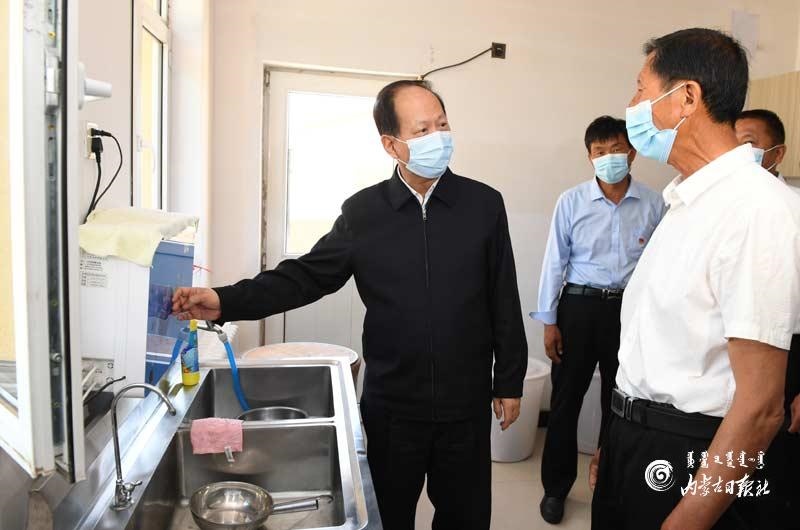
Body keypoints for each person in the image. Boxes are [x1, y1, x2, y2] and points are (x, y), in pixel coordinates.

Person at [171, 79, 528, 530]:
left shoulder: (483, 205)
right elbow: (303, 277)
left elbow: (503, 294)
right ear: (391, 144)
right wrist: (224, 300)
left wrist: (509, 380)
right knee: (386, 518)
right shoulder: (365, 213)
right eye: (422, 130)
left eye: (442, 125)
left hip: (465, 404)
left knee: (466, 518)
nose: (438, 137)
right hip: (393, 406)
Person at [590, 28, 800, 530]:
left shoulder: (756, 209)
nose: (632, 106)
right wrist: (616, 439)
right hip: (634, 441)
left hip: (693, 455)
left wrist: (688, 519)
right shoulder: (685, 200)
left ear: (686, 97)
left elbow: (760, 408)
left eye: (640, 89)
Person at [532, 116, 664, 524]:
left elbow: (660, 268)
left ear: (632, 152)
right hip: (579, 308)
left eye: (616, 149)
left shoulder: (654, 204)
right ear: (589, 157)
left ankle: (608, 482)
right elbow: (554, 262)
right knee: (565, 401)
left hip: (628, 311)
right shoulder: (571, 201)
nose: (609, 158)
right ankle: (555, 489)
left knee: (619, 401)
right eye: (600, 151)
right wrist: (549, 322)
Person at [736, 108, 800, 525]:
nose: (739, 154)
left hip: (787, 354)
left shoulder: (793, 212)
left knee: (774, 473)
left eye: (749, 144)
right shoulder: (721, 207)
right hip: (733, 360)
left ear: (777, 153)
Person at [735, 109, 799, 193]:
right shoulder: (721, 195)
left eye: (748, 142)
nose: (737, 150)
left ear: (778, 153)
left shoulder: (795, 199)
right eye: (733, 142)